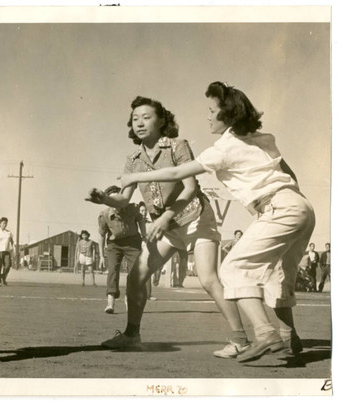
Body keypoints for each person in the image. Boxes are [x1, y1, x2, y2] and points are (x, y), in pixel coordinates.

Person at [119, 82, 315, 362]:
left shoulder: (223, 148)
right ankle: (288, 337)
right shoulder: (262, 137)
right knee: (279, 277)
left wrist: (135, 178)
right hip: (300, 205)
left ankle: (264, 334)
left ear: (228, 113)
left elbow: (177, 174)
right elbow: (288, 171)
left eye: (212, 111)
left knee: (233, 269)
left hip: (276, 207)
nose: (207, 116)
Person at [87, 95, 248, 359]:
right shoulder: (133, 158)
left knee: (208, 279)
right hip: (167, 229)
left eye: (146, 117)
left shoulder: (177, 146)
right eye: (135, 119)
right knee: (137, 277)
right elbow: (124, 199)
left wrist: (162, 218)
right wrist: (104, 198)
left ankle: (241, 339)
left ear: (162, 120)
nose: (139, 123)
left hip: (195, 219)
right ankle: (132, 335)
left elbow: (191, 188)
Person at [98, 185, 146, 314]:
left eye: (118, 200)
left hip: (133, 242)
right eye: (112, 201)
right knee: (113, 270)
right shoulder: (104, 215)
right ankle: (110, 303)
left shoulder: (134, 208)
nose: (116, 204)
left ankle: (129, 301)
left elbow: (141, 220)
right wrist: (102, 256)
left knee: (134, 273)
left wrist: (145, 238)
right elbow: (102, 236)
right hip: (114, 244)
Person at [0, 217, 14, 286]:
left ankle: (3, 277)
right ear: (0, 224)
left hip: (6, 252)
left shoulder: (9, 232)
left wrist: (12, 249)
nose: (5, 224)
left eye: (6, 223)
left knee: (8, 265)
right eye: (3, 223)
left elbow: (12, 242)